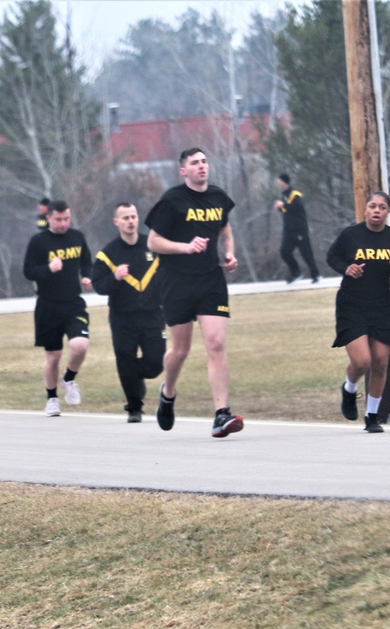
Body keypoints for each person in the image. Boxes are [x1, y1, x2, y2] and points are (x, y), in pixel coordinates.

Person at [146, 147, 244, 438]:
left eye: (204, 161)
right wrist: (184, 247)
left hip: (210, 279)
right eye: (194, 163)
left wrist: (229, 254)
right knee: (180, 350)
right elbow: (153, 241)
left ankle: (221, 414)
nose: (201, 166)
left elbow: (225, 229)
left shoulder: (218, 197)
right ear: (183, 171)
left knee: (215, 345)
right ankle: (168, 392)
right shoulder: (172, 200)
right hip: (176, 281)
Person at [326, 192, 390, 433]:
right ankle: (350, 389)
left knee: (380, 362)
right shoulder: (350, 235)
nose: (377, 210)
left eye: (382, 207)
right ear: (365, 210)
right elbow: (332, 257)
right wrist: (347, 268)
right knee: (362, 361)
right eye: (373, 206)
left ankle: (372, 416)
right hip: (352, 303)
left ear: (387, 212)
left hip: (382, 305)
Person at [92, 202, 166, 423]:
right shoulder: (107, 254)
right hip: (122, 317)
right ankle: (134, 407)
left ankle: (135, 377)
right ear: (117, 222)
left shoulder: (152, 245)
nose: (131, 221)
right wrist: (114, 277)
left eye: (133, 216)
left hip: (152, 314)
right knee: (125, 360)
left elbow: (167, 274)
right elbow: (98, 286)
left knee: (155, 363)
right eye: (125, 218)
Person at [23, 199, 93, 417]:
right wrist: (48, 269)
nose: (63, 223)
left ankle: (69, 379)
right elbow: (29, 271)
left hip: (73, 303)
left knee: (80, 345)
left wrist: (88, 276)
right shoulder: (38, 241)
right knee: (53, 356)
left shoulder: (77, 237)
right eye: (58, 219)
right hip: (48, 305)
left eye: (66, 219)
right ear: (49, 218)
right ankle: (52, 399)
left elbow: (86, 262)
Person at [273, 173, 320, 284]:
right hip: (288, 230)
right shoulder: (283, 194)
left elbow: (297, 209)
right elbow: (287, 212)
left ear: (284, 181)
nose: (277, 182)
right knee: (284, 251)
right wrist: (279, 208)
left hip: (299, 229)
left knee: (306, 253)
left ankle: (316, 275)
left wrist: (283, 205)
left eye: (279, 180)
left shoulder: (295, 194)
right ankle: (296, 273)